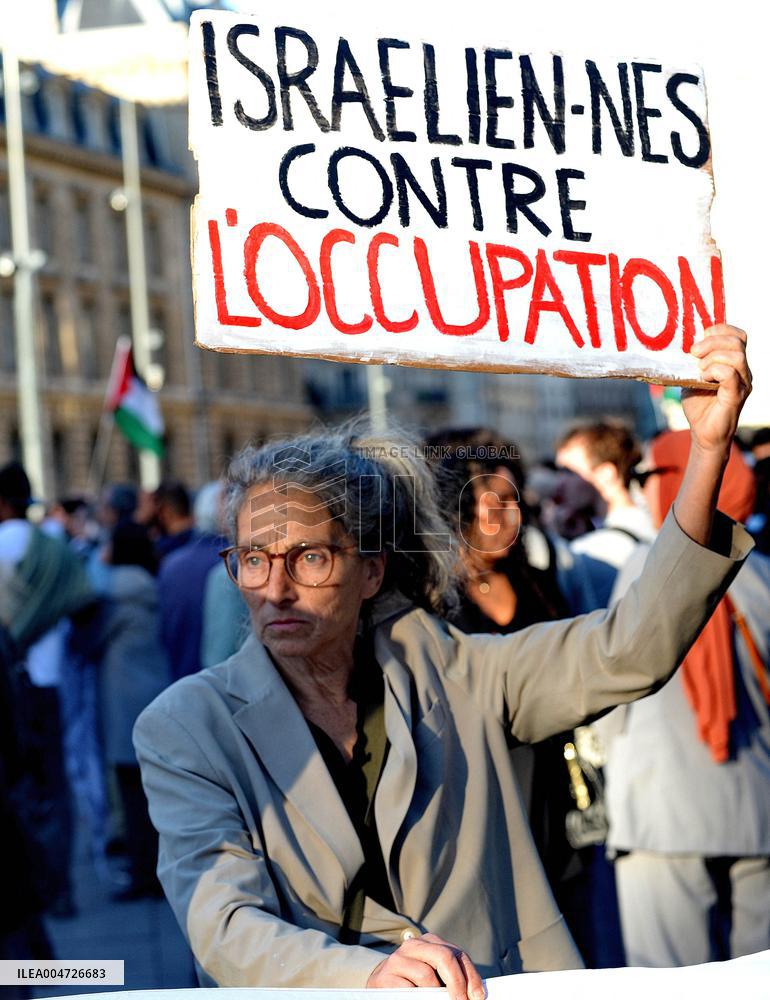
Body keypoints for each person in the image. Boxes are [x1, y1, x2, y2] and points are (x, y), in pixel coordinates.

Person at [134, 327, 751, 991]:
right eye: (253, 560)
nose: (275, 588)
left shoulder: (460, 674)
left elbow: (630, 648)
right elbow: (221, 921)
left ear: (371, 571)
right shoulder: (185, 725)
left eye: (309, 557)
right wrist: (366, 976)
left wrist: (707, 449)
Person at [599, 429, 770, 967]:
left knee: (672, 981)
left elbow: (610, 683)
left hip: (660, 809)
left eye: (649, 477)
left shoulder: (645, 567)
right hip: (758, 807)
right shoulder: (762, 572)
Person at [555, 421, 655, 614]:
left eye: (569, 472)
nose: (559, 484)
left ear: (607, 475)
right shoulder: (657, 523)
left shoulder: (588, 552)